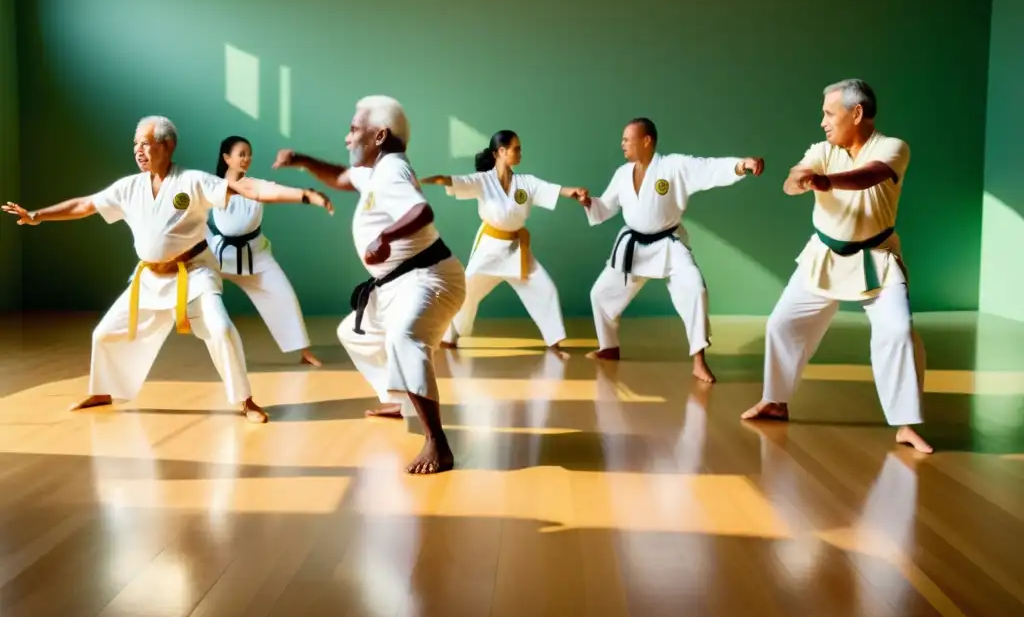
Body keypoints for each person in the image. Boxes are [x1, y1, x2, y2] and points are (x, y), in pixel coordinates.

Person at [1, 116, 334, 423]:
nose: (139, 151)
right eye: (136, 146)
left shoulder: (193, 181)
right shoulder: (129, 187)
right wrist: (37, 215)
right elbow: (85, 204)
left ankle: (245, 400)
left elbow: (252, 189)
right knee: (103, 334)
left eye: (145, 144)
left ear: (167, 145)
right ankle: (103, 390)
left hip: (194, 275)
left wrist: (304, 194)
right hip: (148, 278)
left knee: (221, 330)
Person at [272, 95, 466, 474]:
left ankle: (437, 444)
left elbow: (421, 212)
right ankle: (399, 398)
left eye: (354, 129)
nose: (347, 138)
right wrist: (302, 161)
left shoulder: (392, 169)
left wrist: (385, 238)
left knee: (403, 339)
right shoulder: (375, 168)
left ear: (379, 136)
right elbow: (343, 179)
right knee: (354, 332)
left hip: (429, 278)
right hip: (398, 281)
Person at [741, 79, 933, 454]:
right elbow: (791, 181)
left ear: (856, 113)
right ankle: (775, 401)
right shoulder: (823, 149)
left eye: (829, 113)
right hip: (823, 257)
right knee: (782, 324)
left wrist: (826, 181)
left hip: (875, 259)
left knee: (897, 331)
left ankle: (906, 424)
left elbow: (870, 175)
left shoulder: (893, 148)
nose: (823, 121)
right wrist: (799, 179)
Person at [578, 117, 764, 383]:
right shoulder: (622, 173)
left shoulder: (673, 166)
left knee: (695, 290)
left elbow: (708, 168)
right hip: (633, 246)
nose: (622, 144)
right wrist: (588, 202)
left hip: (669, 244)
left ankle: (699, 360)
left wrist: (740, 165)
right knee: (600, 294)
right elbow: (605, 207)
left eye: (627, 139)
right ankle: (609, 347)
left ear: (646, 140)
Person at [419, 130, 588, 356]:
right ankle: (450, 337)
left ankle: (554, 341)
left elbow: (552, 189)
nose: (520, 153)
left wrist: (574, 192)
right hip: (490, 248)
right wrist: (423, 180)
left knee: (544, 288)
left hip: (517, 250)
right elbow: (450, 180)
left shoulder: (525, 182)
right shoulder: (483, 181)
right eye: (516, 148)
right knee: (466, 290)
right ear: (500, 152)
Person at [208, 135, 321, 367]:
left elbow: (279, 192)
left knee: (284, 296)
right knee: (194, 293)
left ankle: (304, 351)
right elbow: (185, 201)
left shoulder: (257, 185)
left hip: (256, 255)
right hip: (219, 256)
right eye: (241, 154)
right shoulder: (211, 187)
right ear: (227, 158)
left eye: (249, 154)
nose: (247, 158)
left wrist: (307, 195)